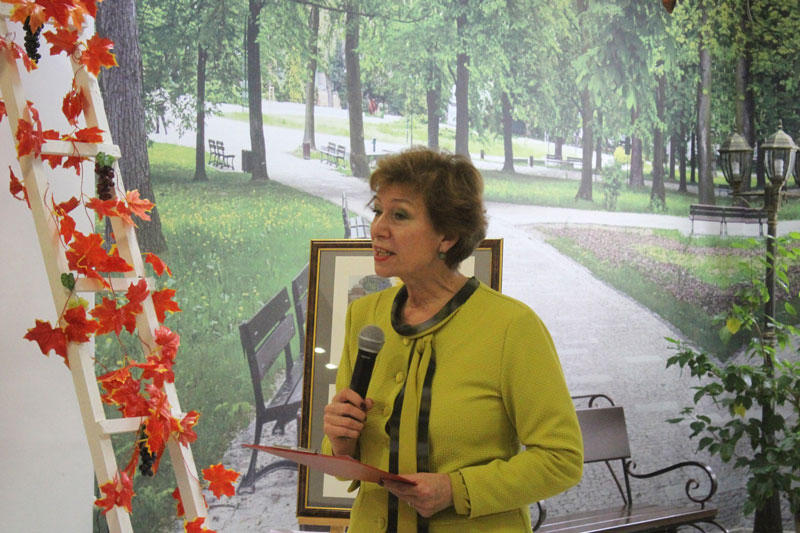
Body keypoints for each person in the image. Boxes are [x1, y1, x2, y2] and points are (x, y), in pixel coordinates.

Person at [321, 147, 583, 533]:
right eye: (378, 211)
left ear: (447, 236)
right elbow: (345, 462)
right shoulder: (365, 316)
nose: (378, 228)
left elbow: (562, 459)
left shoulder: (512, 326)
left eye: (400, 215)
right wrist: (340, 442)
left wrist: (456, 489)